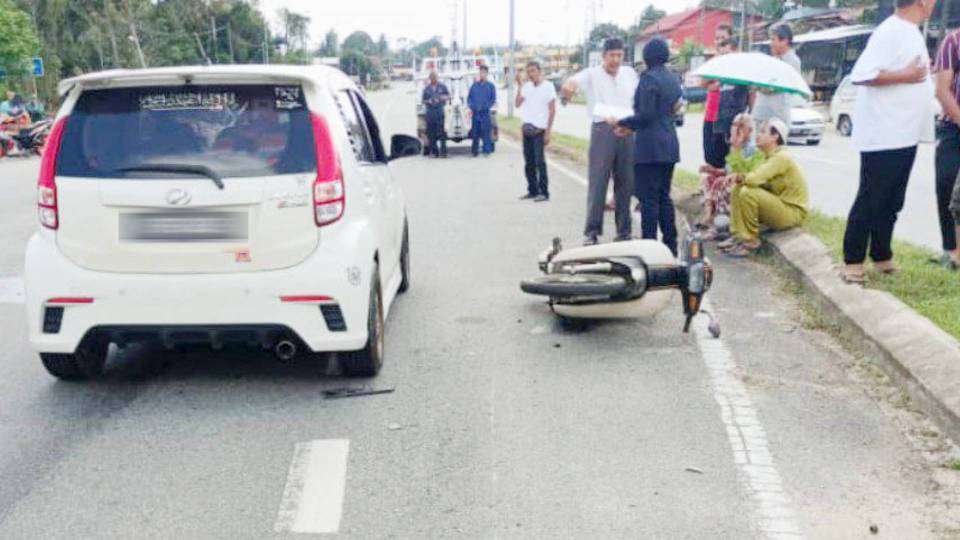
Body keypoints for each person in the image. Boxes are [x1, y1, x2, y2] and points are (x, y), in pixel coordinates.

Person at [841, 0, 936, 284]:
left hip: (904, 133)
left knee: (892, 200)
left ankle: (882, 255)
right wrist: (906, 76)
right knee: (871, 199)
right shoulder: (890, 30)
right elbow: (862, 74)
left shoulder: (911, 31)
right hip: (883, 134)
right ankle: (853, 261)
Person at [561, 37, 638, 245]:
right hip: (603, 129)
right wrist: (567, 89)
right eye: (611, 55)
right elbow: (572, 83)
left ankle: (624, 231)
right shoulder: (592, 74)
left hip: (627, 129)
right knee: (598, 182)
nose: (615, 59)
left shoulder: (630, 74)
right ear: (603, 56)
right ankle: (592, 232)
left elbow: (639, 98)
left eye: (619, 55)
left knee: (625, 182)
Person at [610, 38, 682, 255]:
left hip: (650, 147)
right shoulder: (672, 78)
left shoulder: (648, 78)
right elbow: (672, 108)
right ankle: (671, 245)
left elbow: (645, 115)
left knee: (649, 199)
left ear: (647, 56)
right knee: (664, 196)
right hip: (669, 143)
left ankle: (649, 247)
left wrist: (622, 123)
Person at [720, 119, 808, 257]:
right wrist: (736, 148)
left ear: (775, 136)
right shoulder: (764, 156)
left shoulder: (781, 157)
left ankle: (750, 241)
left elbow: (753, 178)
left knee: (748, 192)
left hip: (792, 211)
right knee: (739, 188)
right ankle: (738, 236)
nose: (758, 135)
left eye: (763, 132)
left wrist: (740, 177)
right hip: (779, 206)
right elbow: (741, 172)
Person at [933, 26, 960, 270]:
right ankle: (950, 251)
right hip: (953, 127)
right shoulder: (953, 41)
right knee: (946, 184)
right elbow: (942, 90)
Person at [515, 61, 557, 202]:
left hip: (539, 130)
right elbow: (518, 103)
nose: (531, 74)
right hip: (527, 129)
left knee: (540, 162)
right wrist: (520, 85)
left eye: (533, 71)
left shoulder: (548, 87)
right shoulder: (527, 87)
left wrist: (548, 132)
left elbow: (552, 110)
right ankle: (532, 190)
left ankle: (544, 192)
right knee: (529, 163)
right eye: (528, 72)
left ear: (539, 71)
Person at [752, 23, 801, 126]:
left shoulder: (793, 62)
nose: (771, 44)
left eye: (774, 40)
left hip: (778, 116)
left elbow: (776, 88)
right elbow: (756, 83)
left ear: (785, 41)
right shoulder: (770, 61)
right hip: (760, 113)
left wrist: (762, 87)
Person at [702, 25, 736, 169]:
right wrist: (713, 83)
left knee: (724, 157)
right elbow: (703, 82)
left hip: (727, 116)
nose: (719, 41)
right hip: (710, 114)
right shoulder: (713, 61)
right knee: (709, 155)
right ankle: (711, 187)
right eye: (717, 38)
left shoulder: (736, 61)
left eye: (723, 38)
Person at [468, 65, 497, 157]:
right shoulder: (474, 86)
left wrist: (486, 107)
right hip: (476, 113)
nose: (482, 74)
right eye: (480, 72)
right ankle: (474, 151)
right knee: (475, 133)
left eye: (484, 72)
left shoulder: (491, 86)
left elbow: (493, 99)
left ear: (487, 74)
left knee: (486, 133)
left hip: (485, 113)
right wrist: (472, 106)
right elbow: (469, 99)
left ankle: (486, 151)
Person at [422, 71, 450, 158]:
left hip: (439, 111)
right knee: (431, 134)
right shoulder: (426, 89)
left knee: (442, 133)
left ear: (437, 78)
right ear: (430, 78)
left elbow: (448, 96)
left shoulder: (442, 86)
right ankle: (434, 152)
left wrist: (443, 98)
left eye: (435, 77)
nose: (433, 79)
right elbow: (423, 100)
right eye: (432, 77)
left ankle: (443, 152)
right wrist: (429, 101)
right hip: (430, 112)